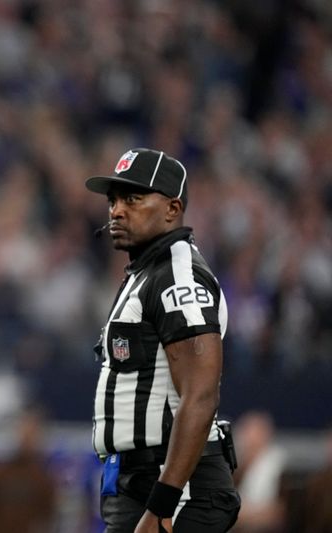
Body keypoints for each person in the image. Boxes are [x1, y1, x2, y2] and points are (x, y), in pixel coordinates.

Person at [84, 148, 240, 533]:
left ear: (172, 209)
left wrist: (162, 504)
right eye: (114, 200)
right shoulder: (147, 271)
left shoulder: (177, 275)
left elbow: (201, 395)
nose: (117, 210)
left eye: (133, 199)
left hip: (173, 487)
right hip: (143, 481)